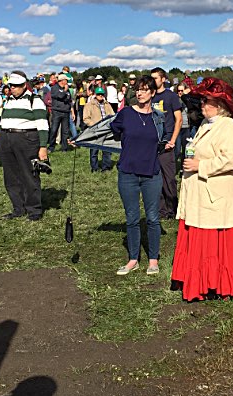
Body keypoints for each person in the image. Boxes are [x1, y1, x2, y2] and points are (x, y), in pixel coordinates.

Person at [170, 77, 233, 302]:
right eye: (203, 101)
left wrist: (201, 166)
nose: (202, 105)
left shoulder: (229, 127)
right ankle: (203, 282)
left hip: (216, 197)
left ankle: (217, 284)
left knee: (214, 243)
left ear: (220, 106)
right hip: (202, 195)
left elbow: (229, 160)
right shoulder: (206, 125)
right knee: (203, 240)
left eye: (207, 101)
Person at [110, 75, 171, 276]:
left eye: (145, 89)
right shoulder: (125, 114)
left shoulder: (159, 117)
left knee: (153, 218)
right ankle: (133, 259)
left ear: (153, 93)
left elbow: (163, 140)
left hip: (151, 174)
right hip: (128, 173)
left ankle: (153, 260)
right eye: (137, 89)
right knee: (132, 218)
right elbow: (114, 132)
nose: (140, 93)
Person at [0, 70, 49, 221]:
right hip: (6, 138)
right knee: (10, 176)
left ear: (24, 85)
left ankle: (34, 210)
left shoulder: (35, 100)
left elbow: (43, 124)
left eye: (16, 85)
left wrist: (43, 146)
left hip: (26, 139)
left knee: (29, 174)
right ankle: (18, 208)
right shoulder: (9, 100)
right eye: (11, 85)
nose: (12, 88)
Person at [150, 67, 181, 220]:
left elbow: (179, 119)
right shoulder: (150, 96)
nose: (153, 80)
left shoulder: (171, 96)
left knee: (169, 178)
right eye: (152, 78)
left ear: (163, 79)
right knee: (156, 178)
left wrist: (173, 140)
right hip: (152, 144)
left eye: (156, 78)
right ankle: (162, 210)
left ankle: (173, 209)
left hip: (167, 142)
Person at [84, 87, 114, 172]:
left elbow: (112, 115)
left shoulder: (107, 104)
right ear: (95, 95)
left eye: (102, 94)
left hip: (106, 129)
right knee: (94, 150)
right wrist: (94, 126)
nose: (100, 96)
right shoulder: (89, 105)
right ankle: (94, 168)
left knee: (107, 150)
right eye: (98, 94)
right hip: (95, 130)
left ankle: (106, 167)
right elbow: (86, 118)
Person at [48, 74, 73, 152]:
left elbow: (69, 99)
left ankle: (64, 148)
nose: (67, 82)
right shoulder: (54, 88)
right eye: (66, 80)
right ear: (62, 80)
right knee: (54, 130)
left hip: (66, 112)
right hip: (57, 112)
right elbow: (60, 96)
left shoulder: (67, 89)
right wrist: (65, 91)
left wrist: (71, 110)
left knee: (65, 131)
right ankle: (51, 147)